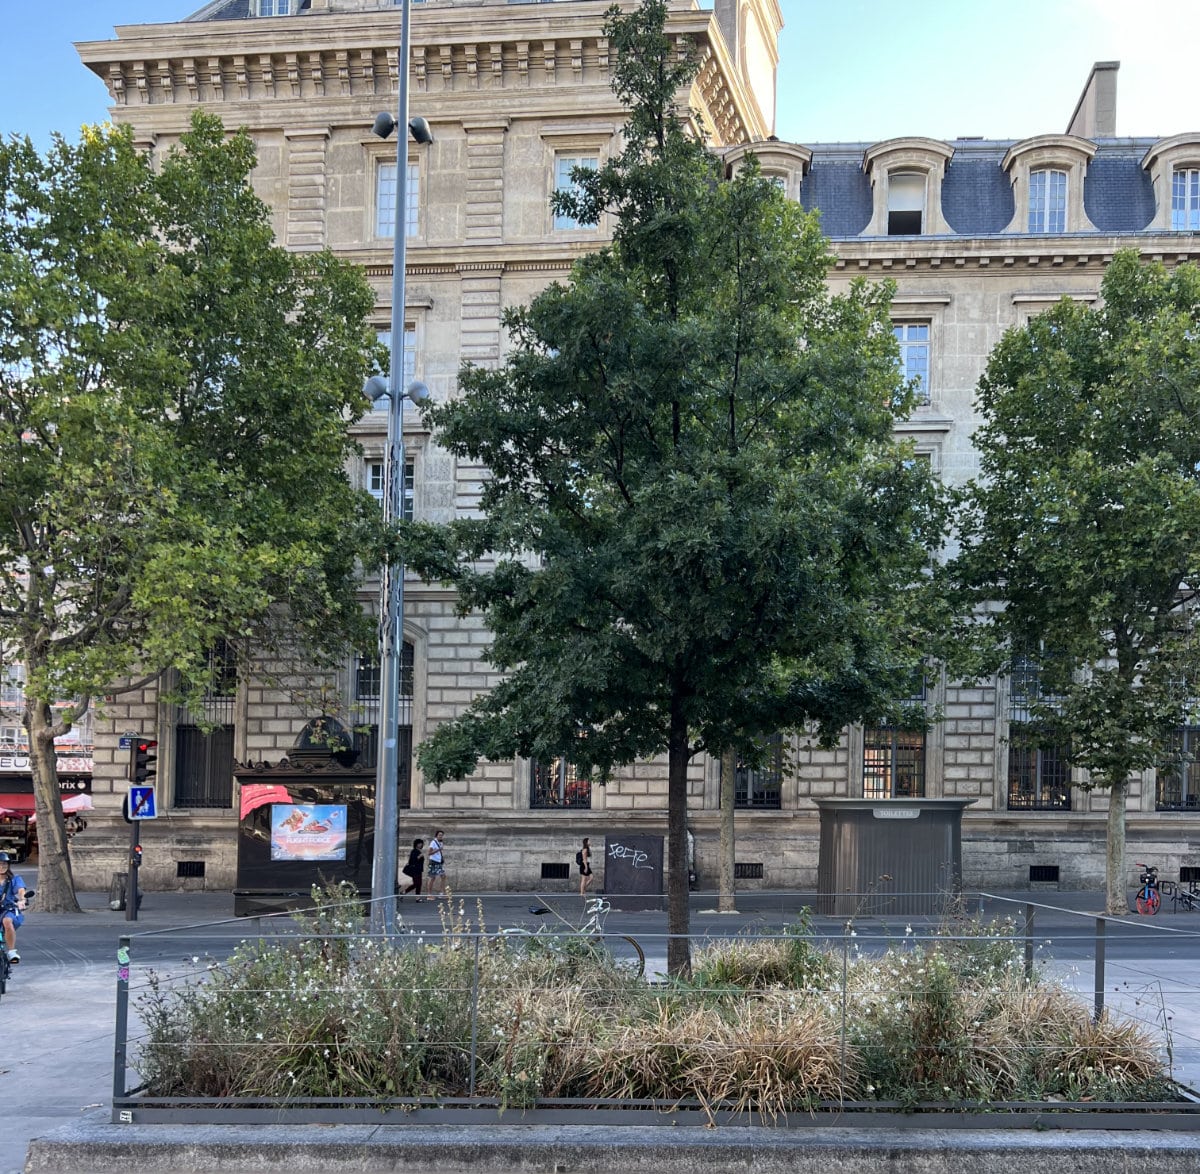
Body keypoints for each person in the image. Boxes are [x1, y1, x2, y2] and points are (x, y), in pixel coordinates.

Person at [0, 851, 27, 964]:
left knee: (7, 921)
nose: (2, 866)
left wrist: (22, 899)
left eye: (5, 864)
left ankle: (11, 951)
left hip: (8, 909)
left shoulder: (14, 879)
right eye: (0, 864)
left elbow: (21, 890)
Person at [426, 830, 447, 899]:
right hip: (433, 862)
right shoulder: (433, 842)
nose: (441, 836)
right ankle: (429, 894)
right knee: (432, 878)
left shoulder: (440, 842)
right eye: (439, 835)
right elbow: (429, 853)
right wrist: (438, 849)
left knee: (443, 876)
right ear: (436, 835)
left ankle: (441, 893)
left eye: (442, 835)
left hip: (438, 862)